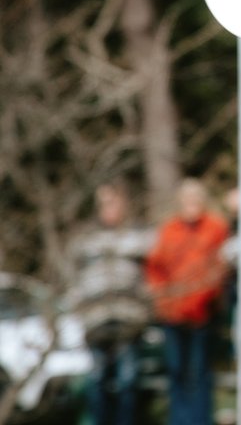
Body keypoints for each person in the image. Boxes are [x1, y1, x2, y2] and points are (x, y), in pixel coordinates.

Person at [144, 178, 230, 425]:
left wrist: (200, 298)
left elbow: (218, 269)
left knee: (200, 372)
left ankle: (200, 420)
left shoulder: (215, 227)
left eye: (195, 199)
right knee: (176, 371)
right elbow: (155, 268)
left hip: (202, 313)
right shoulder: (169, 230)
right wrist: (163, 298)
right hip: (172, 313)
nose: (191, 204)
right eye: (187, 200)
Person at [68, 181, 153, 425]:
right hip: (96, 318)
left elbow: (151, 275)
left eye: (113, 202)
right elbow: (74, 278)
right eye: (103, 203)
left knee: (128, 381)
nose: (108, 209)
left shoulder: (137, 236)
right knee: (97, 382)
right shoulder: (86, 239)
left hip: (129, 318)